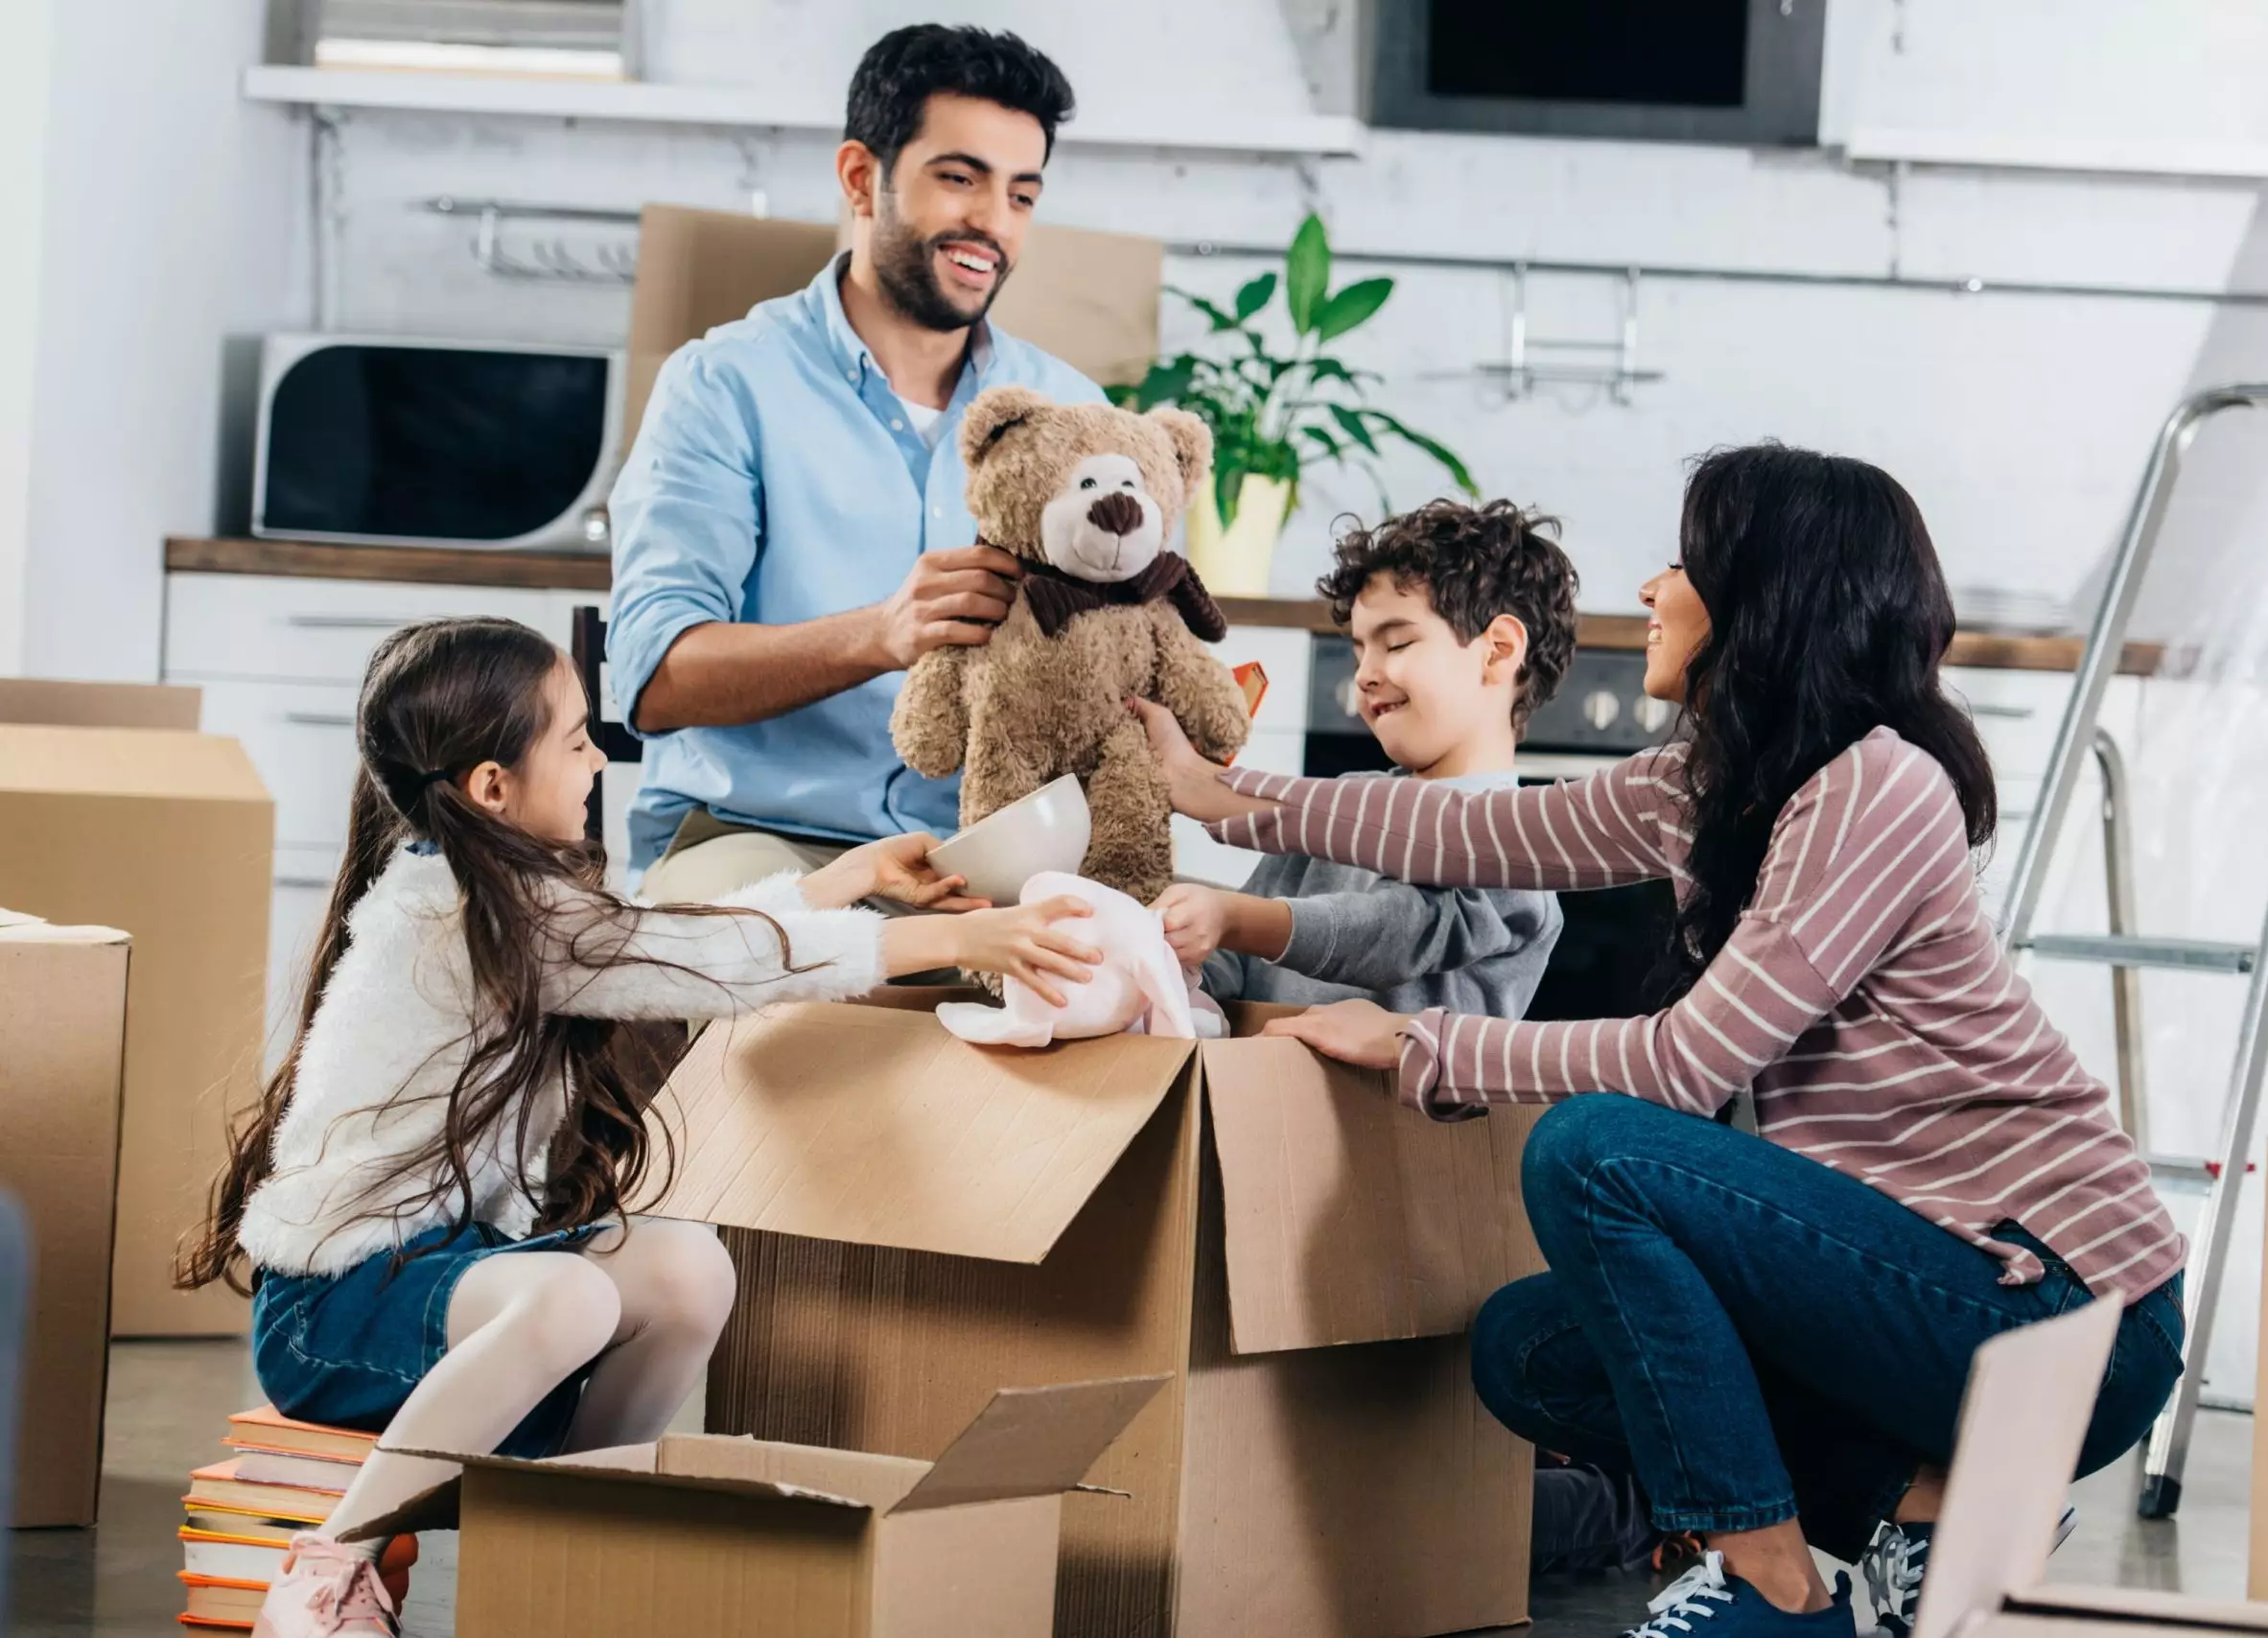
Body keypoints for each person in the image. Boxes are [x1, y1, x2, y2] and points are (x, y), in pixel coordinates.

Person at [1138, 444, 2186, 1638]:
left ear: (1765, 594)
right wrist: (1226, 796)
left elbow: (1691, 1062)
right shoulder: (1712, 781)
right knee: (1531, 1352)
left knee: (1591, 1150)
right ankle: (1922, 1512)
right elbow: (1478, 834)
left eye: (1683, 562)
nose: (1647, 589)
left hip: (2059, 1308)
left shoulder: (1875, 786)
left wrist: (1428, 1047)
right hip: (1921, 1281)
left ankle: (1768, 1589)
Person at [175, 619, 1099, 1638]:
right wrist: (950, 935)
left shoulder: (507, 895)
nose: (597, 757)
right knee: (569, 1294)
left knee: (685, 1268)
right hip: (331, 1312)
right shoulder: (466, 919)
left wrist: (847, 879)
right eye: (574, 739)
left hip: (447, 1274)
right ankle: (329, 1569)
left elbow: (662, 942)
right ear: (492, 785)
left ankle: (570, 1538)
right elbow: (688, 963)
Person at [609, 24, 1108, 904]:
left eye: (1021, 195)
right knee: (771, 980)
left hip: (988, 857)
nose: (991, 223)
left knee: (1143, 995)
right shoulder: (723, 385)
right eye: (959, 178)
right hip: (759, 840)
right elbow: (653, 681)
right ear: (859, 177)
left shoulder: (1073, 414)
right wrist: (879, 635)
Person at [1152, 500, 1568, 1019]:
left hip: (1384, 1103)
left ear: (1499, 650)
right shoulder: (1334, 809)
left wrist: (1232, 916)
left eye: (1396, 643)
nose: (1365, 675)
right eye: (1358, 651)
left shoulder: (1517, 850)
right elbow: (1234, 962)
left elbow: (1393, 934)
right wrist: (1164, 940)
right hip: (1260, 1087)